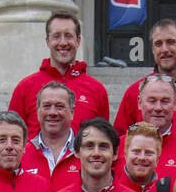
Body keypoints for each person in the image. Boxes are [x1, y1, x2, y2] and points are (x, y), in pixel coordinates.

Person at [8, 11, 109, 139]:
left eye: (68, 36)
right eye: (56, 36)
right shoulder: (25, 88)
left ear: (78, 41)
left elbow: (103, 138)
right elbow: (11, 135)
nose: (63, 43)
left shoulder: (96, 90)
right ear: (47, 41)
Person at [113, 18, 176, 135]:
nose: (164, 49)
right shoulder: (134, 92)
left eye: (170, 42)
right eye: (158, 44)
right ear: (152, 49)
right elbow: (121, 138)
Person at [20, 82, 83, 191]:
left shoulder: (85, 153)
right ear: (38, 111)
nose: (52, 112)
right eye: (47, 106)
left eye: (59, 106)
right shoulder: (21, 154)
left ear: (72, 112)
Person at [126, 75, 176, 179]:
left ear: (175, 104)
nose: (158, 108)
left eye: (165, 101)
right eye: (152, 101)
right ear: (139, 103)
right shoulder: (120, 145)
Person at [115, 121, 162, 192]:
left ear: (157, 159)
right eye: (136, 151)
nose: (142, 158)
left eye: (148, 153)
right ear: (125, 155)